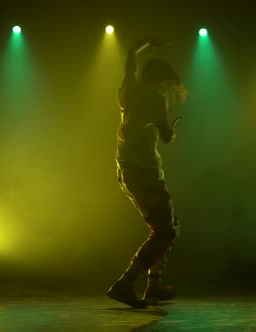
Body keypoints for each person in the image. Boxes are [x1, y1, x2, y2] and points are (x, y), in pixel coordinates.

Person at [106, 38, 188, 308]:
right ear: (161, 81)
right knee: (166, 231)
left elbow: (131, 54)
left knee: (167, 226)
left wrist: (146, 43)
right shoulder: (156, 99)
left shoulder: (129, 88)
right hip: (145, 171)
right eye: (167, 83)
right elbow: (166, 137)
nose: (169, 88)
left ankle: (153, 286)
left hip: (126, 169)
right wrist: (172, 127)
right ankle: (125, 283)